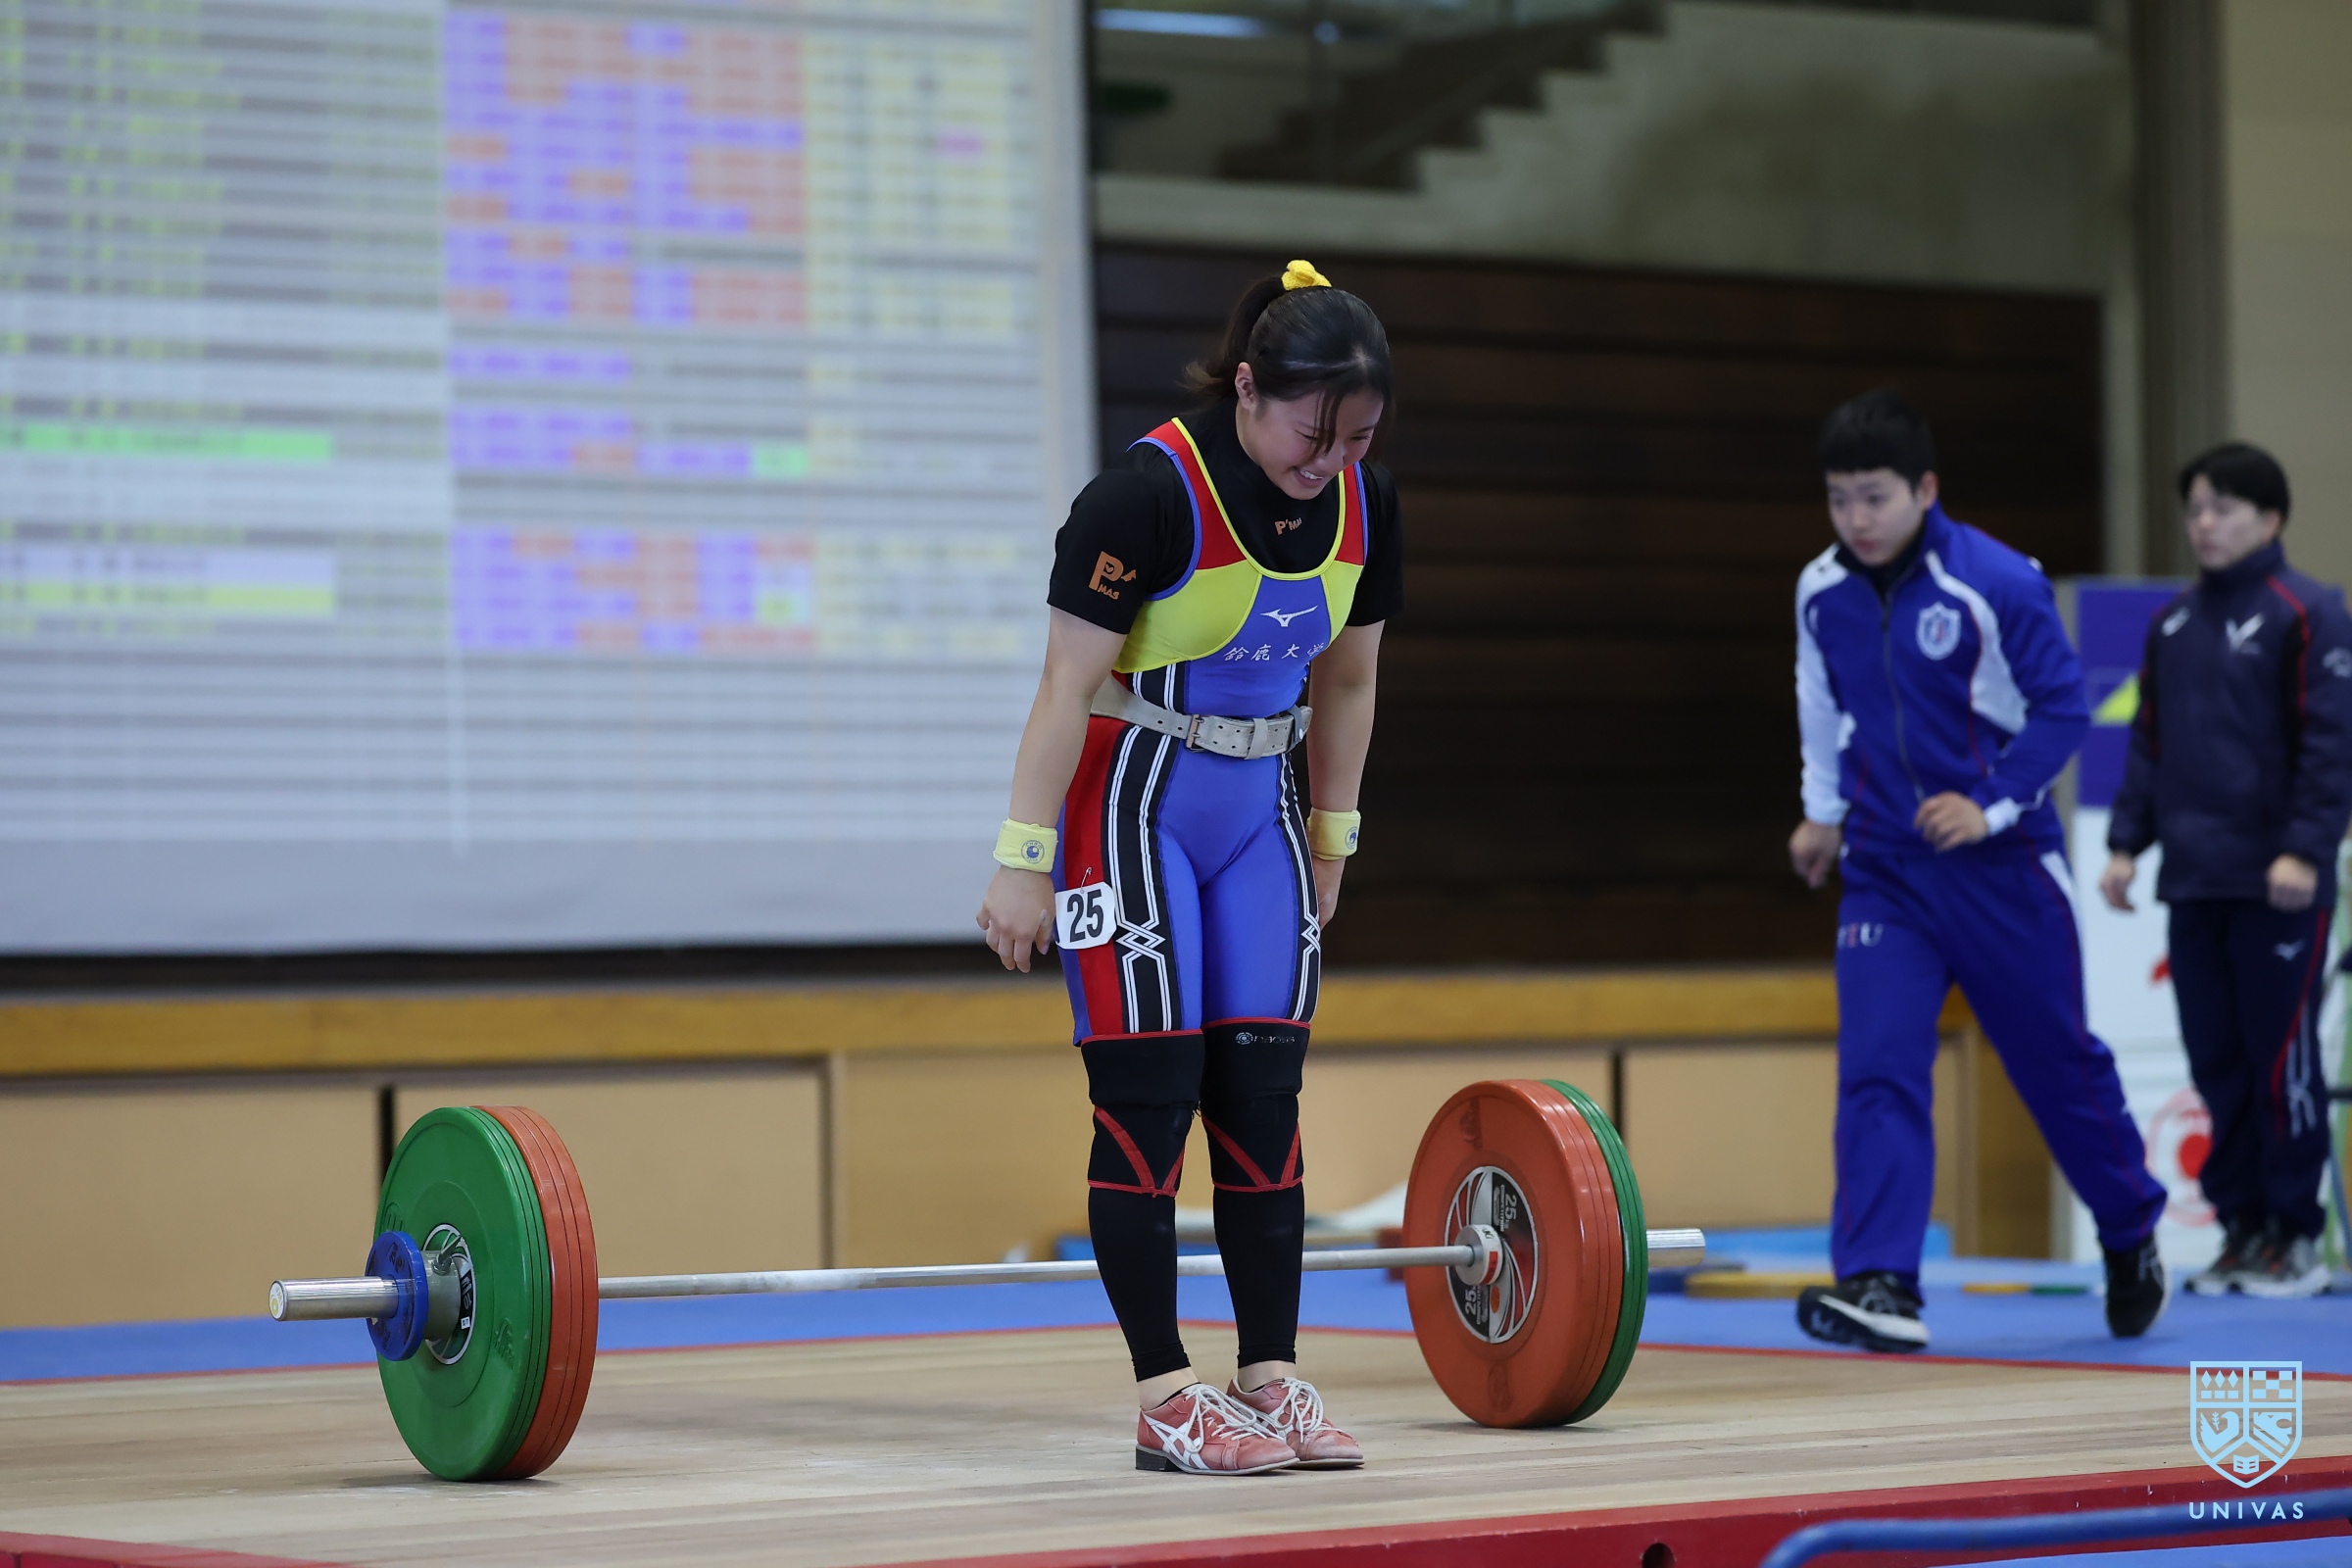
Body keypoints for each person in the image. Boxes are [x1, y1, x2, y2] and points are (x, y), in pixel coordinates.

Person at [974, 260, 1400, 1474]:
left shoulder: (1366, 506)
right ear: (1249, 388)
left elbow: (1350, 681)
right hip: (1132, 807)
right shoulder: (1143, 496)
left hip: (1263, 817)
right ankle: (1167, 1394)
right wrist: (1022, 861)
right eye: (1314, 434)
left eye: (1359, 439)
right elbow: (1064, 687)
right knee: (1151, 1098)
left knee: (1264, 1099)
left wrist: (1334, 838)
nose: (1331, 461)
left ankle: (1269, 1376)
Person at [1788, 389, 2170, 1353]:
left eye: (1875, 497)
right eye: (1839, 498)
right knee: (1878, 1066)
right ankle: (1880, 1281)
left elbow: (2064, 711)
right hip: (1886, 869)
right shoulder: (1820, 590)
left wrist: (1990, 803)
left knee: (2056, 1065)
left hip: (2004, 867)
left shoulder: (1996, 583)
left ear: (1926, 489)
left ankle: (2130, 1228)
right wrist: (1823, 813)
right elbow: (1819, 701)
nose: (1856, 518)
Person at [2099, 443, 2352, 1299]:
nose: (2204, 524)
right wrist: (2126, 845)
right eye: (2196, 509)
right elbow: (2149, 744)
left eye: (2224, 508)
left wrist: (2304, 850)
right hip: (2195, 881)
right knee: (2218, 1064)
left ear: (2270, 519)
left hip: (2279, 884)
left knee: (2282, 1062)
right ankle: (2242, 1230)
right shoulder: (2172, 624)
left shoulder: (2311, 612)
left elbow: (2332, 747)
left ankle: (2295, 1236)